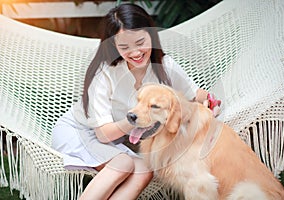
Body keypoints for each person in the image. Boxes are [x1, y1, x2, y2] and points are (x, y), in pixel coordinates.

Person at [51, 3, 220, 200]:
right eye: (124, 46)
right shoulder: (105, 73)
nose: (135, 52)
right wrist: (135, 119)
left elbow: (191, 93)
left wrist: (209, 101)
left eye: (140, 42)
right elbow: (104, 135)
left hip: (113, 141)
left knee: (144, 170)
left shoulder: (164, 66)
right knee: (123, 163)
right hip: (79, 132)